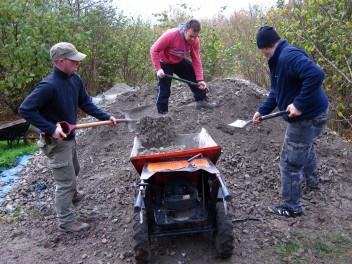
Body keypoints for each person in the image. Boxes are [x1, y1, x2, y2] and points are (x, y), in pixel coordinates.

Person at [19, 42, 117, 232]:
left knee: (75, 169)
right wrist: (50, 128)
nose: (77, 63)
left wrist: (106, 116)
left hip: (70, 137)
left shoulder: (75, 79)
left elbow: (86, 103)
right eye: (73, 61)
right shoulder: (49, 86)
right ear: (60, 61)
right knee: (65, 182)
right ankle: (67, 221)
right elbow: (25, 109)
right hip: (56, 141)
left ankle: (72, 194)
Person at [252, 26, 329, 217]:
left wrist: (299, 104)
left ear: (264, 47)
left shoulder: (288, 57)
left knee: (289, 163)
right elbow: (276, 91)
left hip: (307, 117)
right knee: (306, 146)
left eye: (261, 50)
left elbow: (316, 74)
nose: (262, 54)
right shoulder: (278, 60)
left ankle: (291, 206)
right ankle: (312, 181)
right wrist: (262, 111)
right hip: (316, 113)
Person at [150, 19, 215, 114]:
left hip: (178, 61)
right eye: (191, 36)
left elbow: (196, 60)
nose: (193, 39)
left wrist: (200, 79)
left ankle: (202, 102)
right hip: (164, 62)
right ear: (185, 30)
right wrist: (158, 69)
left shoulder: (195, 41)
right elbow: (154, 50)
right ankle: (162, 113)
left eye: (195, 36)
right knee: (164, 89)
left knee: (194, 76)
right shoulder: (171, 35)